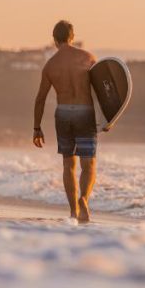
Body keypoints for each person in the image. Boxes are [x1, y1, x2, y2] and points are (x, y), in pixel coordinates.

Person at [33, 20, 99, 223]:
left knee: (68, 164)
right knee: (88, 164)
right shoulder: (88, 58)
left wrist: (37, 128)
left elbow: (41, 98)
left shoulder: (50, 65)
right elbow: (102, 91)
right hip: (85, 113)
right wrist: (107, 119)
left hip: (63, 114)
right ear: (72, 36)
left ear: (54, 39)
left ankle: (73, 211)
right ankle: (84, 199)